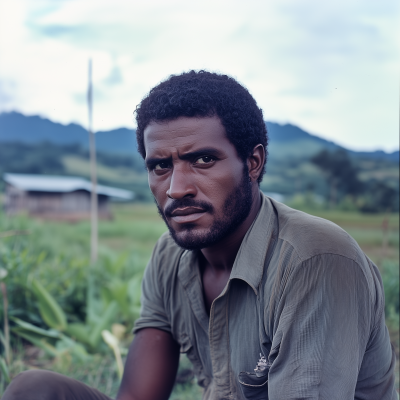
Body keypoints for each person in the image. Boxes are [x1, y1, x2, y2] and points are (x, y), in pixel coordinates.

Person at [3, 71, 396, 400]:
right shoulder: (170, 258)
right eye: (160, 166)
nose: (176, 188)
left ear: (253, 163)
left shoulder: (315, 260)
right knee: (35, 390)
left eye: (203, 160)